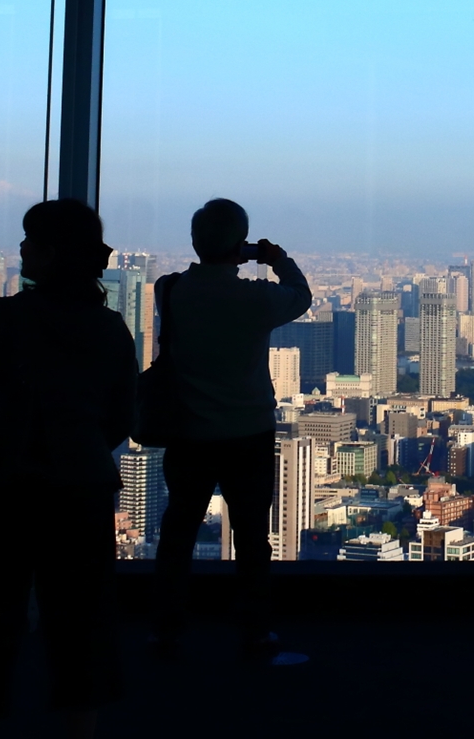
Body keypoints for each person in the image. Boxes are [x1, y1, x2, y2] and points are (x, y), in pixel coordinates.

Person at [0, 199, 135, 738]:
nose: (20, 249)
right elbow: (121, 416)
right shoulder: (111, 329)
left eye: (28, 240)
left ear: (49, 253)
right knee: (80, 625)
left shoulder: (3, 319)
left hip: (0, 487)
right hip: (82, 491)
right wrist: (79, 445)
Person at [152, 199, 311, 659]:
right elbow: (300, 295)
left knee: (178, 533)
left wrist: (230, 253)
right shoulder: (255, 299)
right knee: (251, 537)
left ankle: (165, 629)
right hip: (247, 432)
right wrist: (274, 258)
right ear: (239, 245)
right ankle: (256, 631)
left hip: (187, 431)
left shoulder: (170, 290)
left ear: (196, 241)